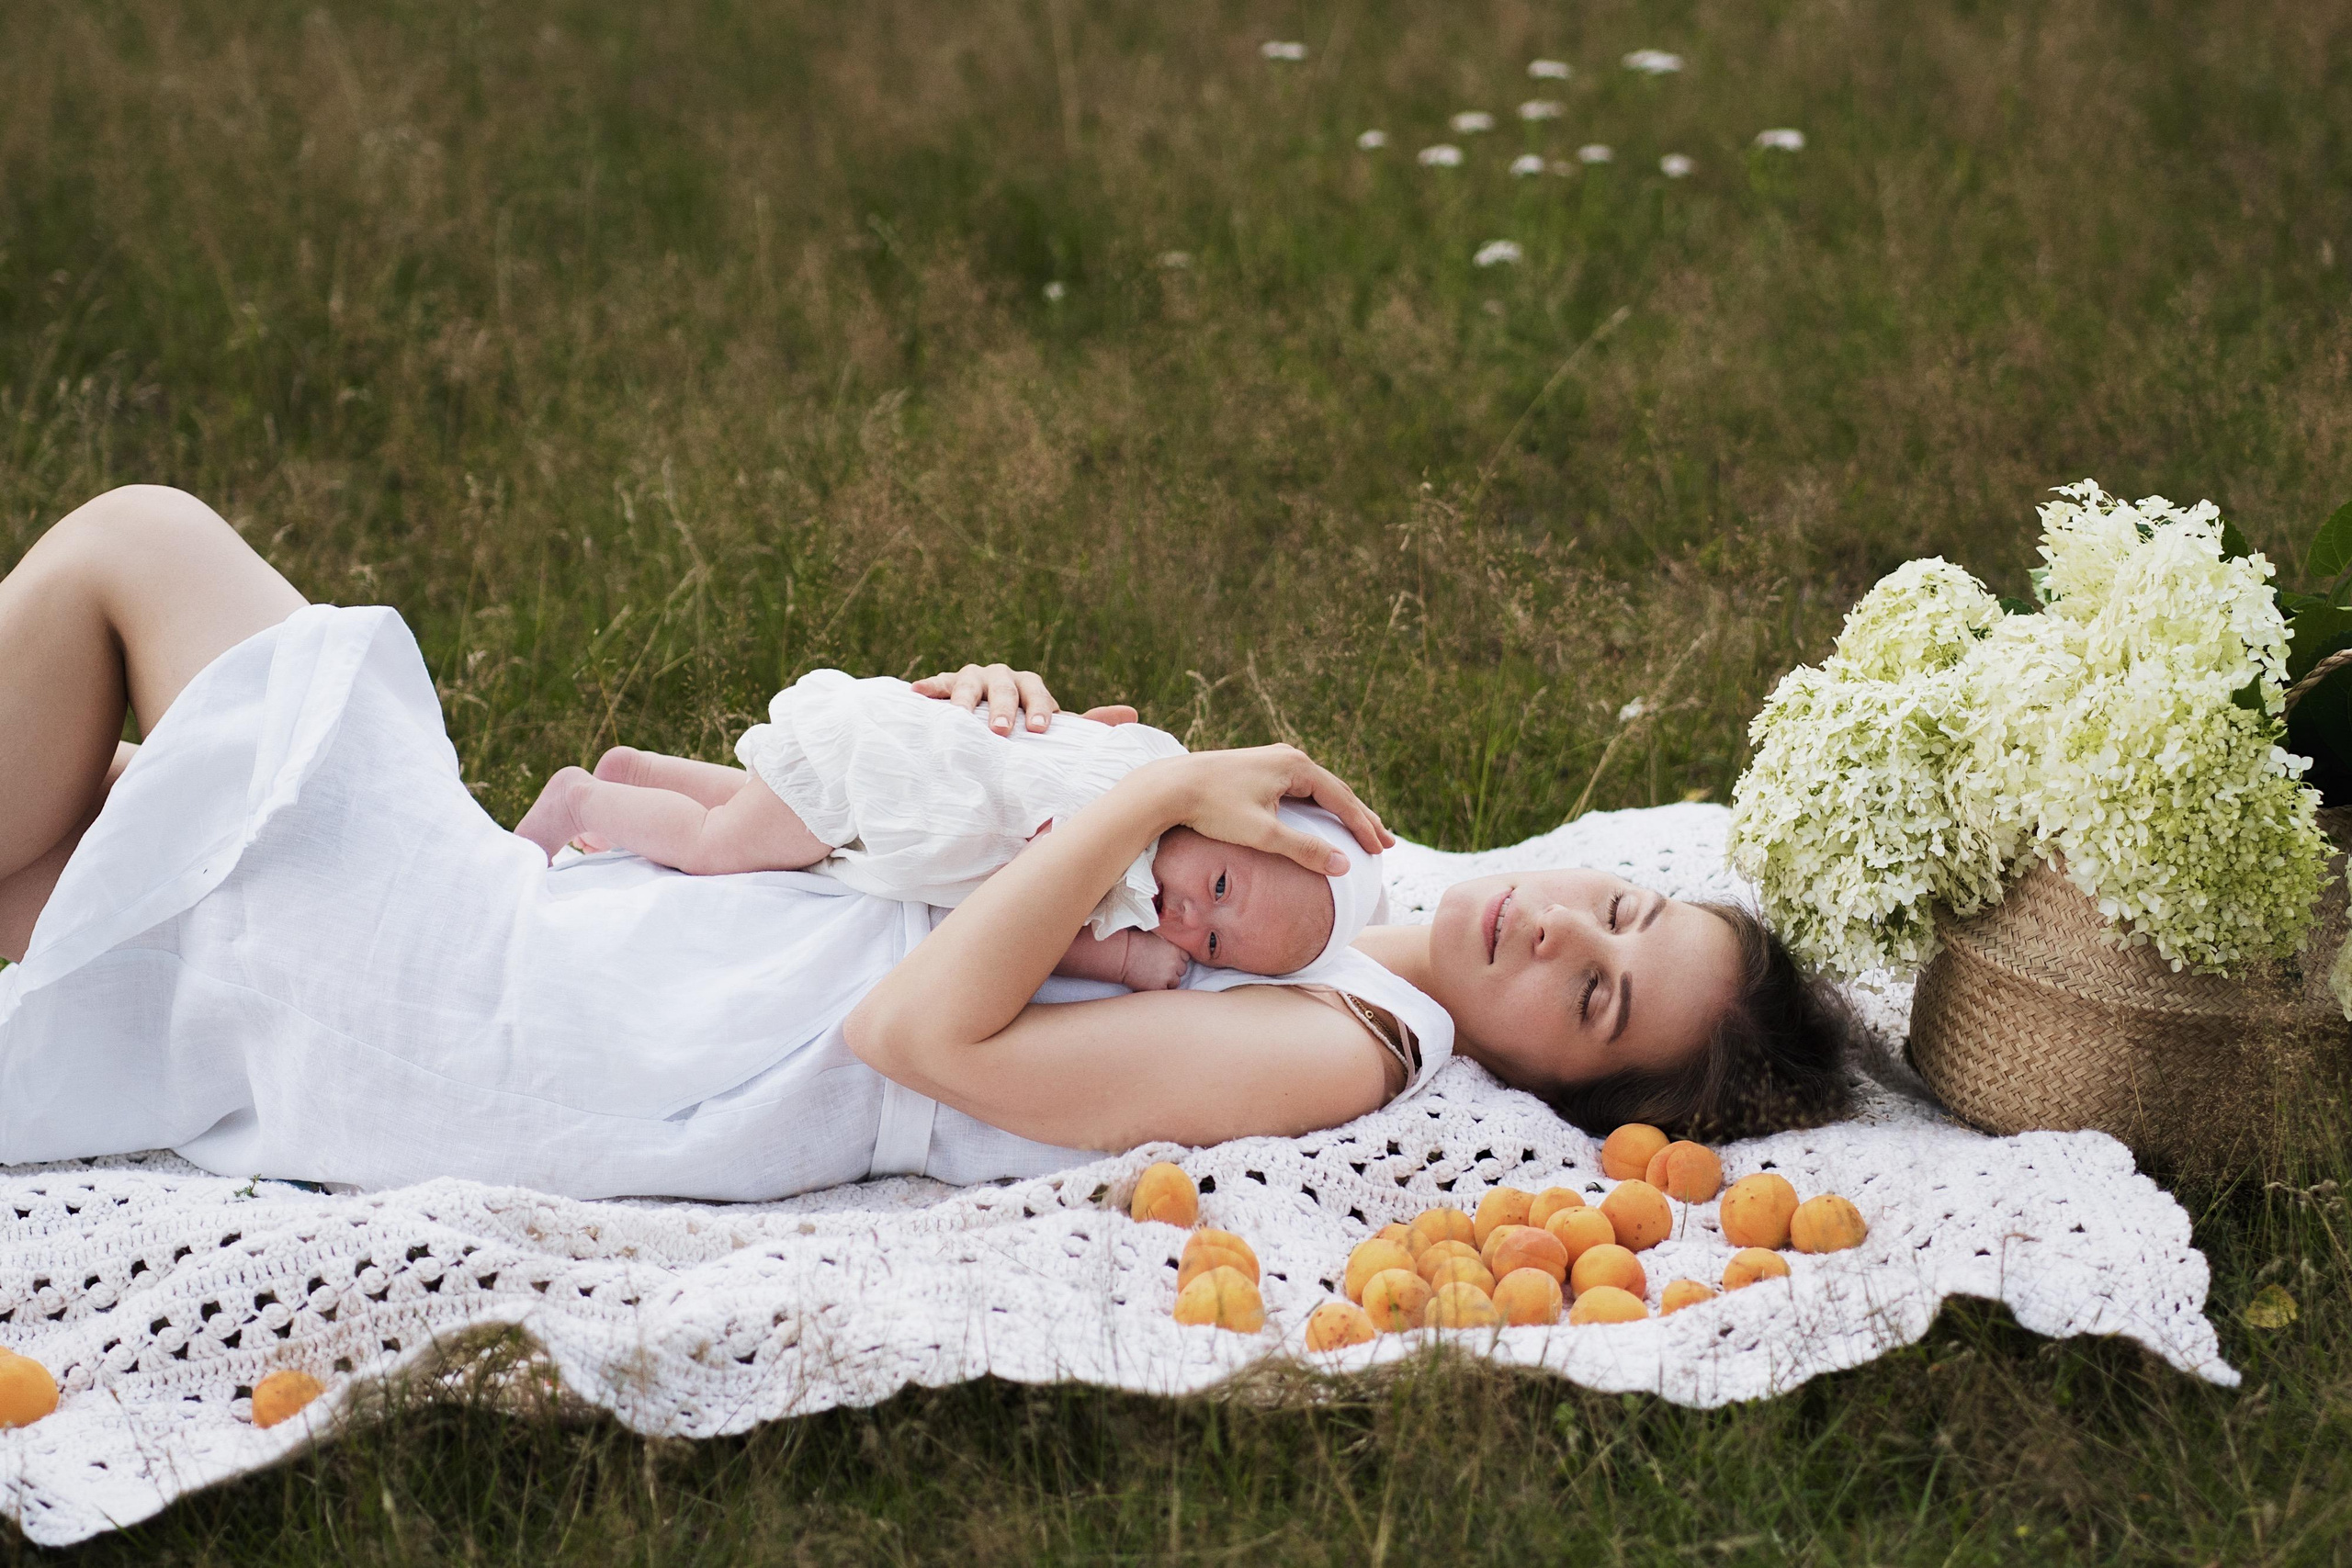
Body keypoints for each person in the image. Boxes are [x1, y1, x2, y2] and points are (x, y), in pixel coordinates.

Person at [0, 487, 1854, 1202]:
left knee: (135, 556)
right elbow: (974, 861)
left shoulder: (1340, 1042)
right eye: (1610, 905)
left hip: (576, 1031)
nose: (1557, 936)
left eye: (1594, 998)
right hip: (609, 946)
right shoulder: (1355, 881)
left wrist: (1139, 794)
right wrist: (985, 733)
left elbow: (923, 1036)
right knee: (71, 870)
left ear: (1556, 1079)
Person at [509, 669, 1391, 990]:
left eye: (1213, 944)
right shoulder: (1119, 856)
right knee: (716, 851)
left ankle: (643, 772)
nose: (1188, 916)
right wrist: (1122, 959)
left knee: (766, 815)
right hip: (881, 777)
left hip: (878, 769)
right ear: (1228, 813)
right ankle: (587, 803)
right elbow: (1034, 917)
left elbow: (1093, 728)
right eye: (1223, 887)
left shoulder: (1153, 758)